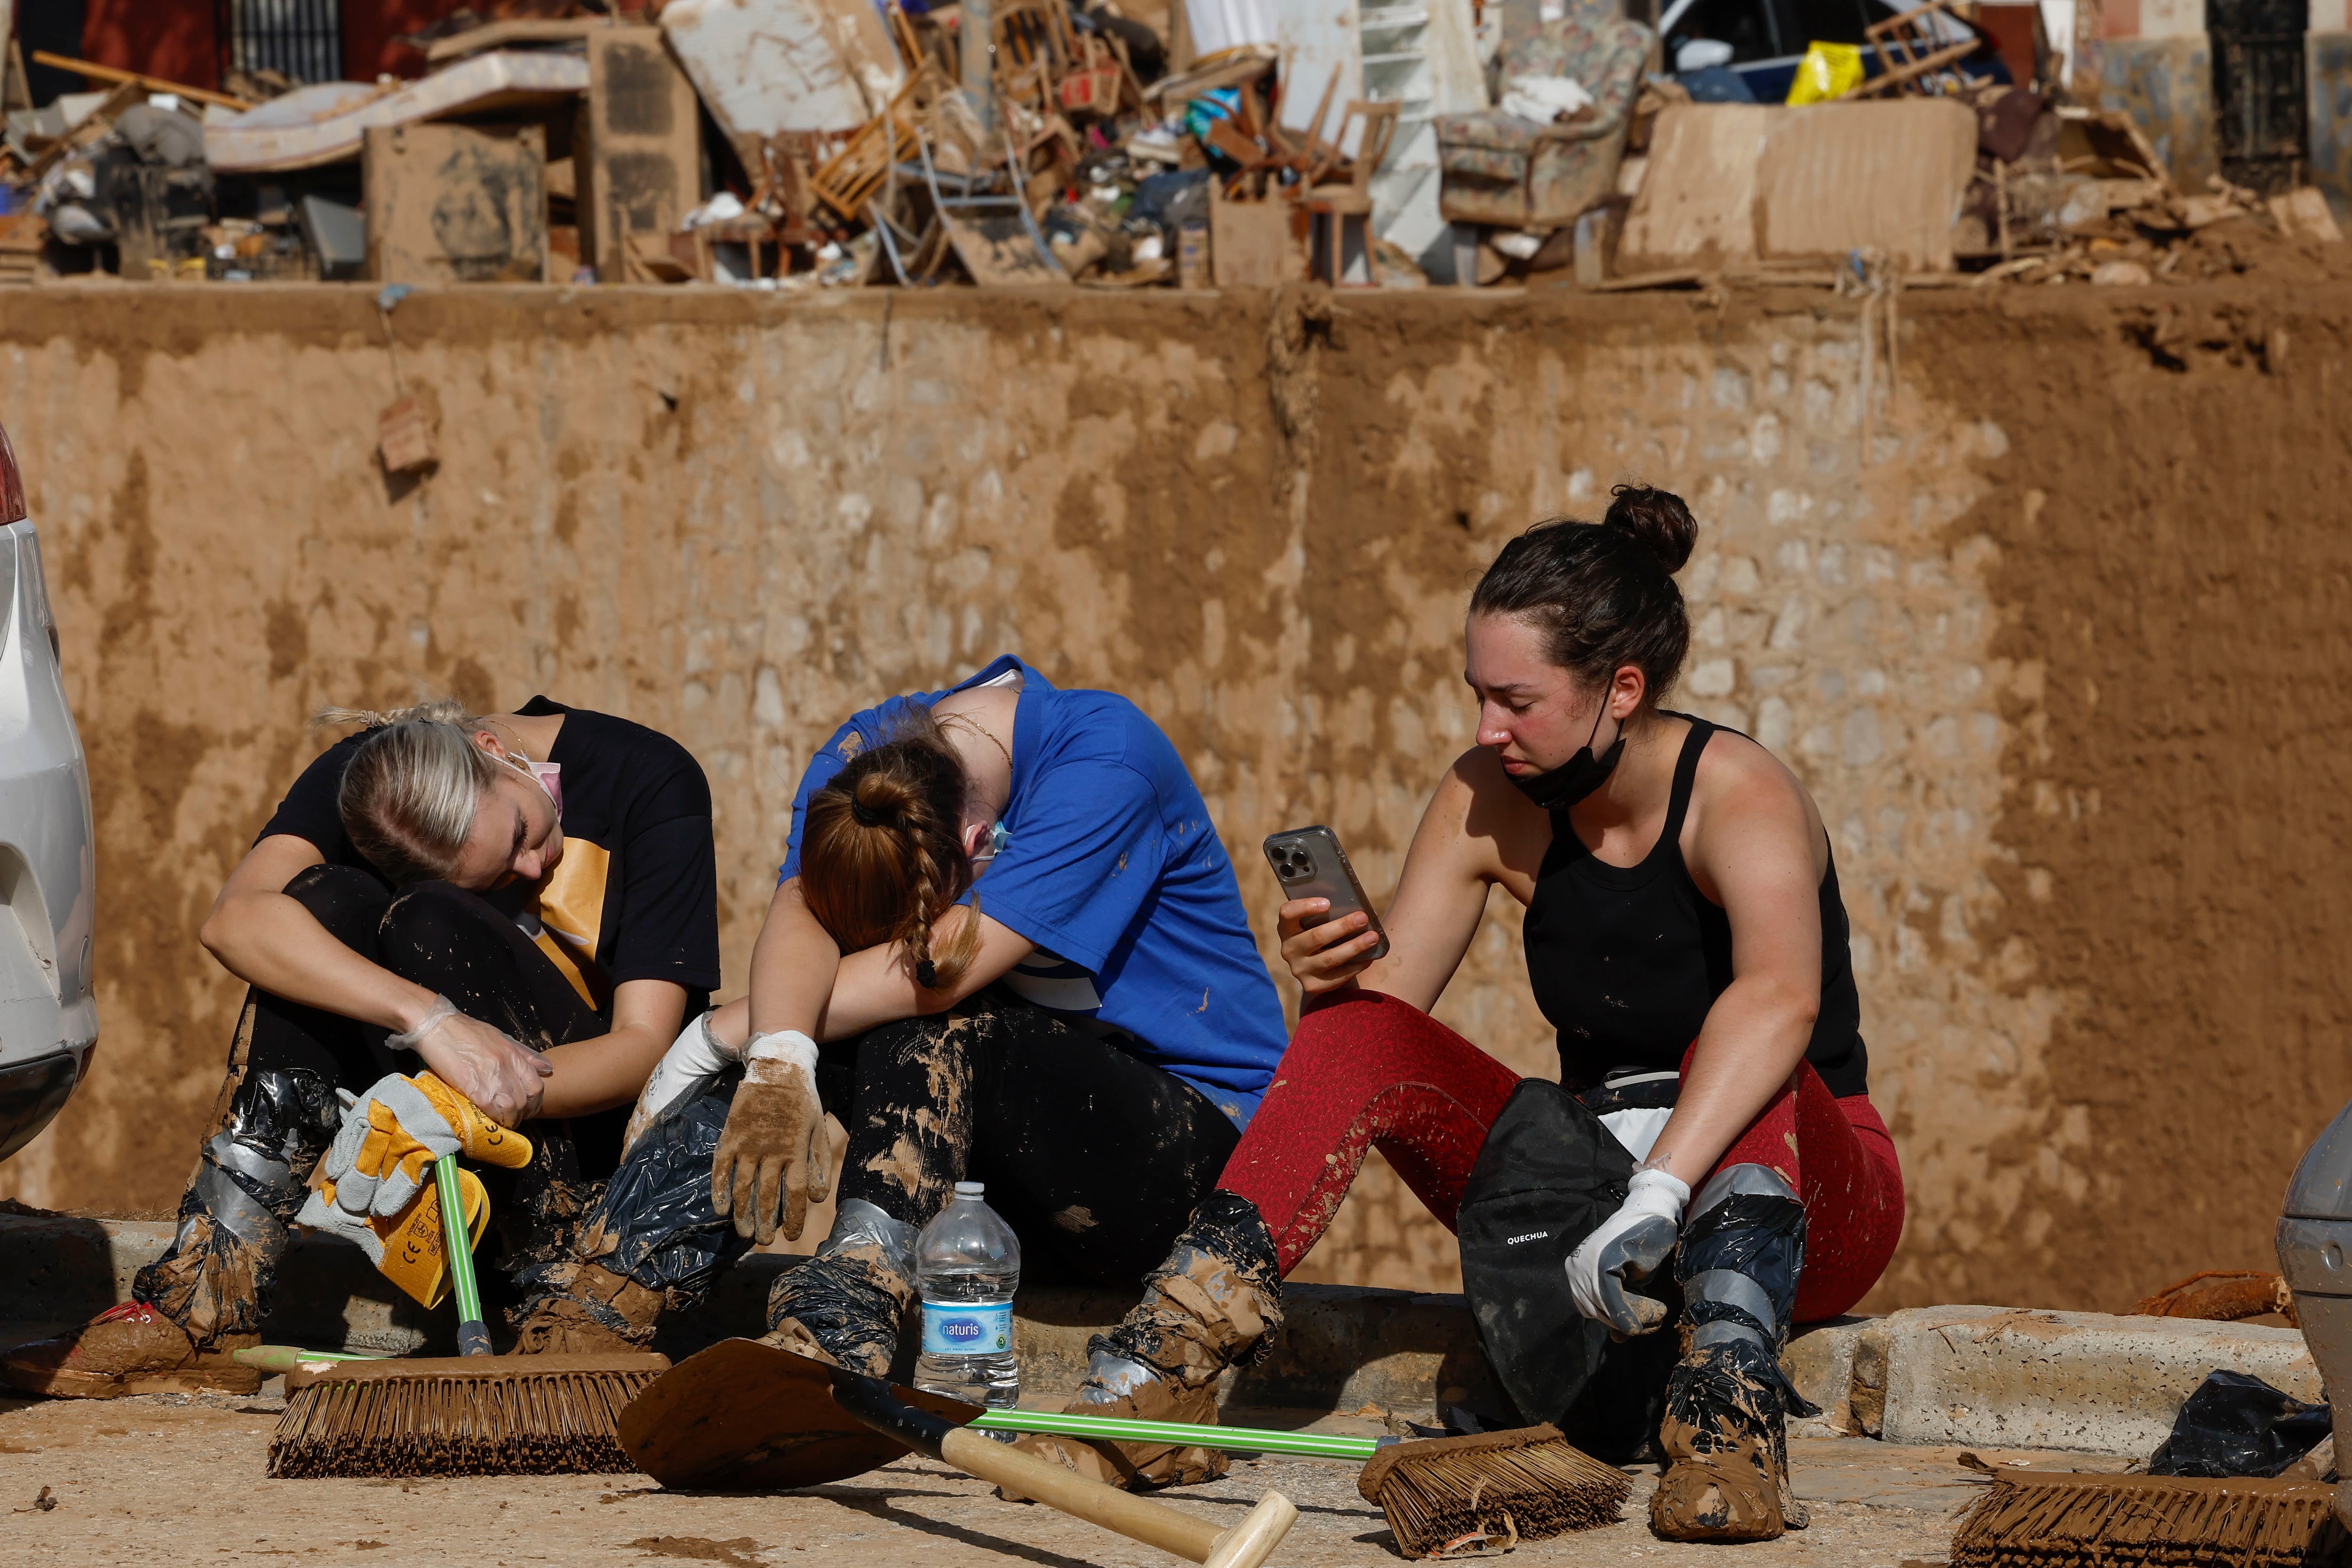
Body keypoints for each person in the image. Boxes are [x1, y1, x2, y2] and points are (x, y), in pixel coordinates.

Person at [1020, 488, 1904, 1544]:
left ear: (1620, 689)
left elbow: (1779, 997)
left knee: (1745, 1040)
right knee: (1355, 1031)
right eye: (1478, 694)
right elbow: (1377, 1042)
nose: (1488, 727)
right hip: (1599, 1189)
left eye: (1517, 700)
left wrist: (1664, 1183)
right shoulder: (1486, 792)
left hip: (1799, 1189)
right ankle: (1163, 1368)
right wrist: (1328, 982)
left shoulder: (1738, 791)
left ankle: (1727, 1421)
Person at [512, 654, 1291, 1379]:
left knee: (909, 1018)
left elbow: (934, 977)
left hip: (1185, 1167)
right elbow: (800, 919)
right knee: (803, 1029)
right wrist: (775, 1056)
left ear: (981, 844)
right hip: (1001, 1182)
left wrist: (718, 1032)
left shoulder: (1104, 766)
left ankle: (847, 1313)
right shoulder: (861, 767)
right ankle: (604, 1297)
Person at [3, 697, 718, 1397]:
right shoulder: (372, 778)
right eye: (506, 868)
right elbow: (236, 920)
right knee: (320, 901)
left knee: (430, 918)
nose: (534, 869)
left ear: (495, 753)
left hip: (576, 1152)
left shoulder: (649, 778)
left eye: (524, 832)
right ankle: (209, 1295)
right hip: (428, 1150)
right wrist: (427, 1019)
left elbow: (646, 1046)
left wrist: (468, 1103)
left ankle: (559, 1296)